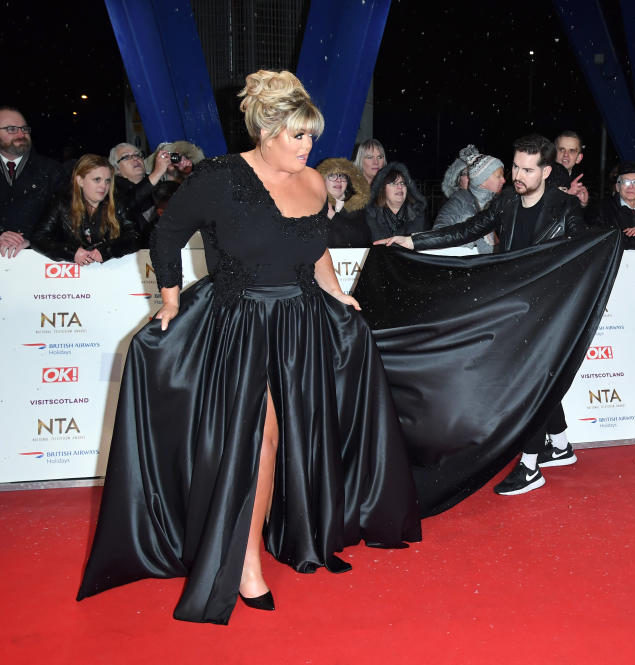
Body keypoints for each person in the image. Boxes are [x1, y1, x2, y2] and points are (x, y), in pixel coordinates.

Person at [76, 70, 421, 625]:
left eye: (312, 137)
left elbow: (316, 253)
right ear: (266, 129)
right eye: (297, 136)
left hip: (301, 321)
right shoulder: (219, 178)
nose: (308, 148)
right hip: (240, 323)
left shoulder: (312, 184)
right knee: (261, 440)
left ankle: (296, 531)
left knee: (299, 434)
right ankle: (245, 562)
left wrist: (339, 297)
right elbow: (166, 236)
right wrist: (168, 301)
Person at [376, 134, 585, 496]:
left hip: (548, 307)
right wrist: (413, 241)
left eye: (527, 169)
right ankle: (561, 444)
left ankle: (530, 465)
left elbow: (584, 256)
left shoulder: (564, 209)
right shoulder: (506, 202)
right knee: (542, 376)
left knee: (531, 380)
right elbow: (467, 230)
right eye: (515, 165)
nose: (517, 175)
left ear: (547, 171)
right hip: (513, 303)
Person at [31, 154, 140, 265]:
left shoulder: (118, 203)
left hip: (112, 273)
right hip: (71, 276)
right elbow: (39, 238)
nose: (103, 186)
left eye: (107, 181)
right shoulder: (61, 203)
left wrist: (108, 250)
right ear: (80, 181)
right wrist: (72, 252)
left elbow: (134, 237)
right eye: (97, 180)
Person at [0, 106, 65, 258]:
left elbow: (66, 219)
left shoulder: (51, 171)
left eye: (24, 128)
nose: (21, 134)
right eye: (11, 129)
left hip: (36, 262)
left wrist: (31, 240)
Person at [433, 145, 505, 253]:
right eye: (466, 174)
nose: (470, 177)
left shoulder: (490, 202)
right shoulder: (457, 201)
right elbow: (438, 233)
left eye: (471, 173)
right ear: (457, 180)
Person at [109, 141, 171, 236]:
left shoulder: (156, 182)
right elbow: (129, 204)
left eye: (137, 155)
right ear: (116, 169)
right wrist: (157, 173)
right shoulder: (113, 190)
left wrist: (177, 174)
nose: (135, 159)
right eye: (126, 157)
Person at [315, 156, 372, 247]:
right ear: (322, 180)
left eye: (342, 176)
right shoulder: (313, 206)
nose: (338, 180)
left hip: (350, 261)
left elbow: (364, 239)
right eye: (332, 175)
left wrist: (333, 216)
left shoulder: (357, 207)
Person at [365, 162, 429, 241]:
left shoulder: (419, 215)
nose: (400, 187)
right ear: (383, 189)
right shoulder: (370, 217)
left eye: (402, 183)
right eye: (393, 183)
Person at [547, 130, 590, 209]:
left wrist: (583, 203)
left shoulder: (577, 183)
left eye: (572, 151)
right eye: (562, 149)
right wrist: (567, 195)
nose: (566, 155)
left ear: (578, 158)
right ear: (554, 153)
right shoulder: (543, 175)